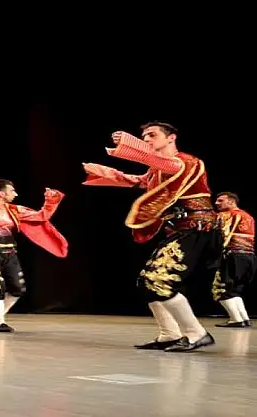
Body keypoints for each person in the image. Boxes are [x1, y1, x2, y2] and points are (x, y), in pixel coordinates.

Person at [82, 121, 220, 352]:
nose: (146, 139)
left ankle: (197, 333)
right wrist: (107, 173)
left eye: (152, 135)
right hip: (178, 229)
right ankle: (169, 334)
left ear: (171, 138)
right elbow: (141, 181)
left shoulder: (186, 162)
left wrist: (130, 144)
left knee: (159, 280)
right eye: (144, 136)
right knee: (147, 282)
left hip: (196, 227)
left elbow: (164, 163)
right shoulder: (157, 170)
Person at [0, 178, 68, 332]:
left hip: (9, 253)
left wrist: (50, 201)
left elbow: (41, 216)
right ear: (1, 193)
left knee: (18, 288)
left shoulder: (15, 210)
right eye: (12, 191)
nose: (15, 194)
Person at [212, 192, 256, 327]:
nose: (216, 203)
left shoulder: (226, 215)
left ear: (231, 202)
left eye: (221, 201)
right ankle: (244, 319)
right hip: (249, 257)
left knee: (221, 289)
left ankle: (236, 320)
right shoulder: (248, 216)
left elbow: (217, 234)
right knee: (235, 289)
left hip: (233, 255)